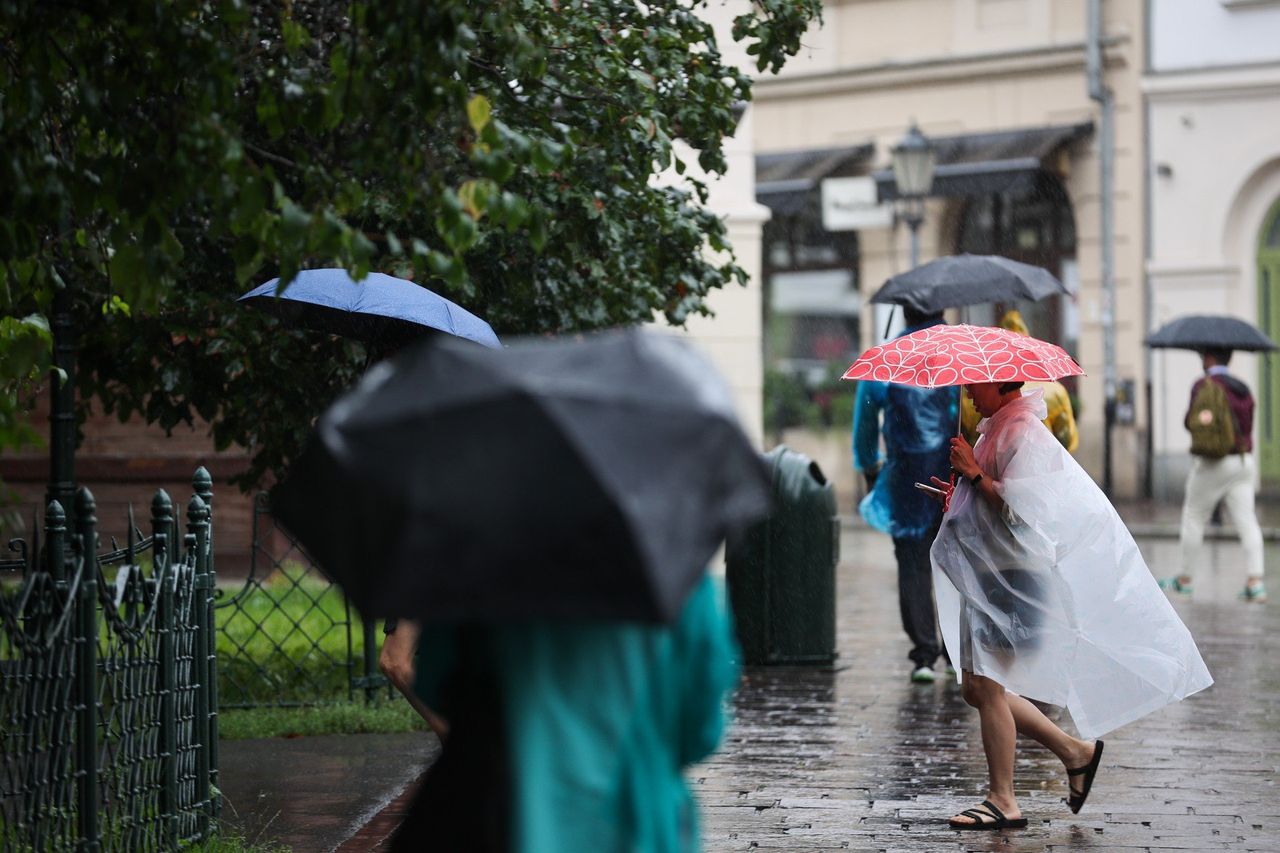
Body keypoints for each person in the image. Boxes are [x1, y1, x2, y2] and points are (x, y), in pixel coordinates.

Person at [928, 381, 1212, 830]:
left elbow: (1025, 512)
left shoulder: (1022, 431)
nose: (966, 391)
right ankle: (1076, 753)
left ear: (1002, 384)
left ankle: (1003, 798)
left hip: (1012, 578)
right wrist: (960, 488)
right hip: (993, 573)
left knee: (987, 685)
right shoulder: (995, 428)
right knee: (978, 689)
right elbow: (994, 501)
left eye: (974, 384)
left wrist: (975, 474)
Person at [389, 572, 739, 852]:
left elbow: (437, 683)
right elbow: (701, 733)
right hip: (638, 820)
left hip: (511, 812)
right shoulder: (680, 575)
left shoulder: (481, 570)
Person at [853, 306, 958, 683]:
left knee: (913, 566)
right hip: (953, 480)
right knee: (954, 567)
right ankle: (956, 650)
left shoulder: (886, 360)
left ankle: (925, 654)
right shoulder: (960, 357)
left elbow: (865, 423)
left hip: (904, 482)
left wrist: (869, 467)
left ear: (905, 314)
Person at [1162, 347, 1267, 602]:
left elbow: (1190, 421)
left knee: (1194, 515)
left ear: (1210, 358)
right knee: (1247, 520)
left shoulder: (1203, 385)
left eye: (1203, 356)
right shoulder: (1242, 388)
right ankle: (1256, 582)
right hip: (1243, 461)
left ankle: (1185, 579)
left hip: (1213, 463)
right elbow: (1249, 423)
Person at [959, 310, 1079, 454]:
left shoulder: (1019, 430)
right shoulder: (1055, 390)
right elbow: (1067, 440)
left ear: (1000, 379)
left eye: (973, 383)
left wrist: (974, 472)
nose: (969, 394)